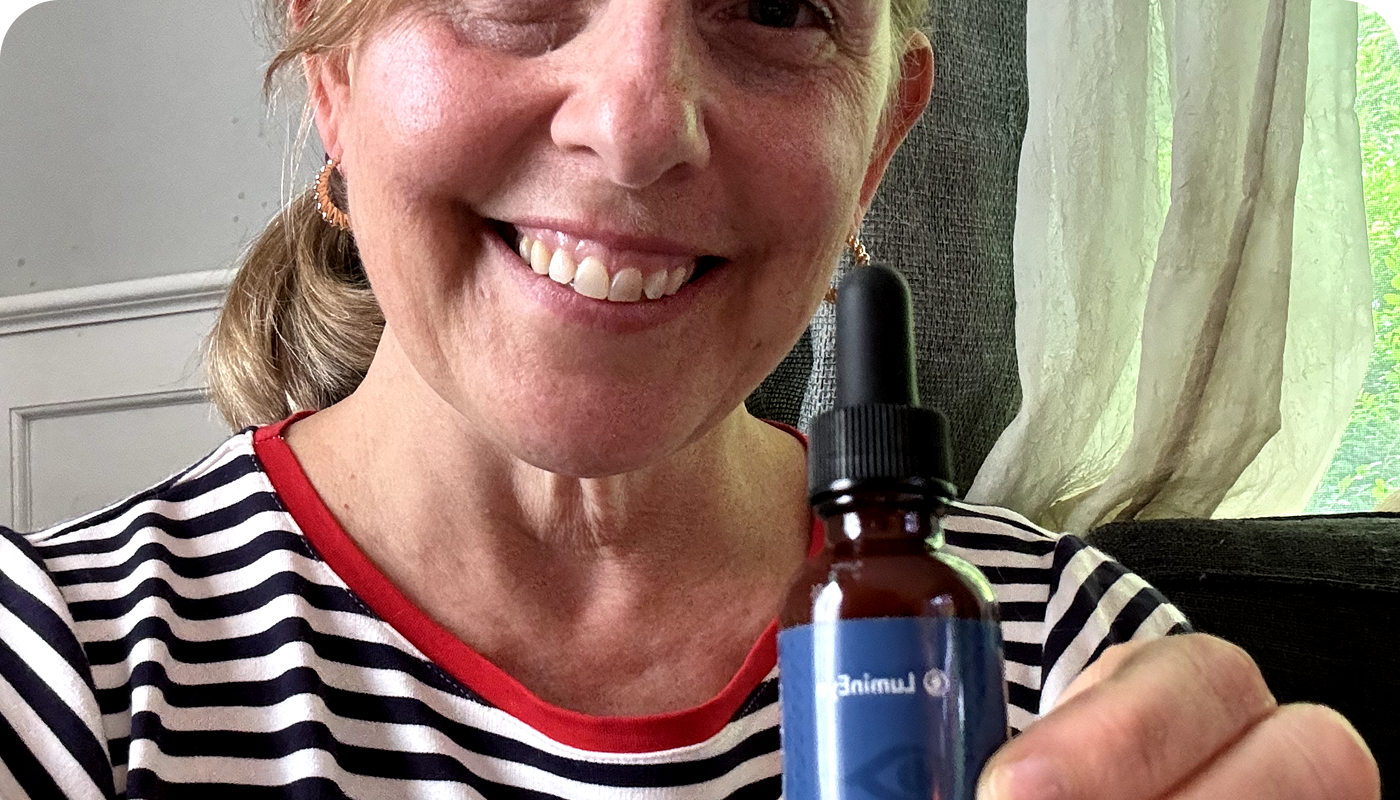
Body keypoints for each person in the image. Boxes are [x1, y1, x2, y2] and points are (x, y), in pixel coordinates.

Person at [0, 0, 1380, 797]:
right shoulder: (64, 676)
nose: (637, 123)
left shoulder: (1062, 659)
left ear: (881, 140)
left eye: (777, 3)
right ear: (334, 65)